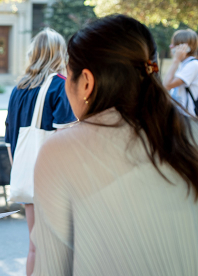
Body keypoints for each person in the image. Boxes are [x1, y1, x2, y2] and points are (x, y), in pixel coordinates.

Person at [32, 14, 198, 275]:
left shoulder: (61, 151)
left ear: (86, 82)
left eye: (68, 75)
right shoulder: (190, 133)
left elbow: (50, 268)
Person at [4, 28, 76, 275]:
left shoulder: (18, 90)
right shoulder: (60, 86)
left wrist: (22, 171)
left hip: (28, 176)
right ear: (60, 54)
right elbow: (66, 137)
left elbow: (9, 138)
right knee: (61, 248)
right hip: (55, 182)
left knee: (35, 246)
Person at [164, 29, 198, 115]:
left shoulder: (193, 65)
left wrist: (176, 60)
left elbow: (167, 85)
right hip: (179, 115)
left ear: (185, 48)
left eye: (174, 44)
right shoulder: (183, 64)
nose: (170, 46)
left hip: (186, 117)